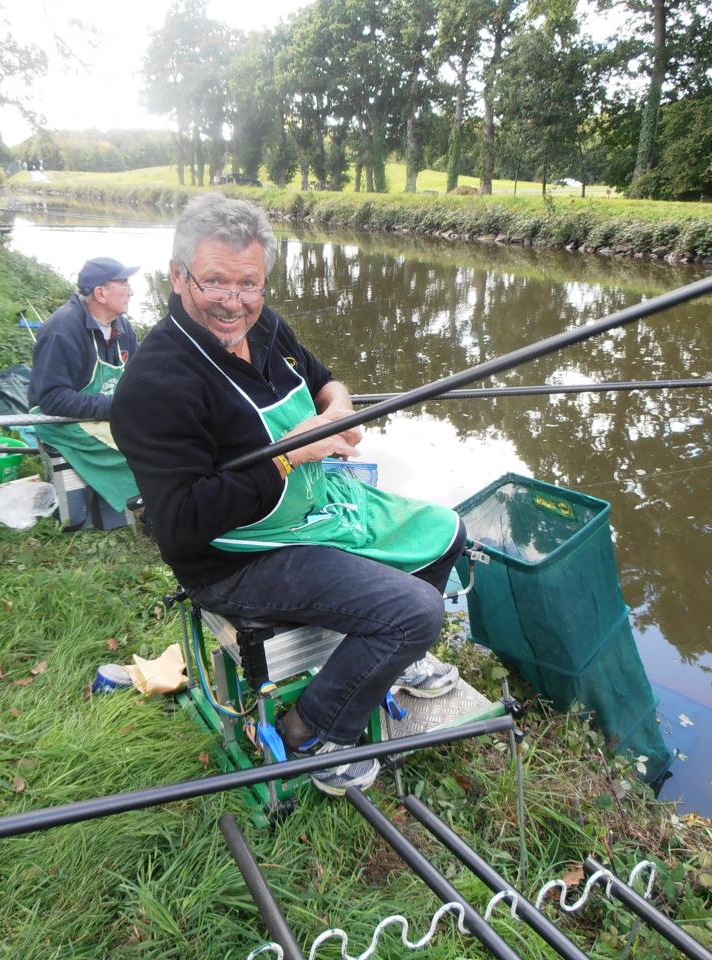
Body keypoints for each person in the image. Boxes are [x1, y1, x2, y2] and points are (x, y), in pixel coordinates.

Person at [111, 194, 464, 796]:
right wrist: (287, 455)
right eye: (215, 281)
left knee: (445, 529)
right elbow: (181, 524)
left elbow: (328, 383)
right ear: (177, 276)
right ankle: (314, 734)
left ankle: (391, 662)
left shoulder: (266, 327)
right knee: (417, 612)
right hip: (236, 555)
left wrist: (341, 410)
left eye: (249, 283)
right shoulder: (155, 384)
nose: (234, 302)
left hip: (312, 506)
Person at [29, 258, 141, 513]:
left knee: (161, 435)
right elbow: (52, 399)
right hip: (59, 419)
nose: (131, 291)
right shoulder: (62, 330)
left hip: (106, 409)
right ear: (101, 293)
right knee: (136, 450)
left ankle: (154, 493)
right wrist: (116, 408)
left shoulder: (122, 325)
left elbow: (138, 375)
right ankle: (143, 501)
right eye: (123, 284)